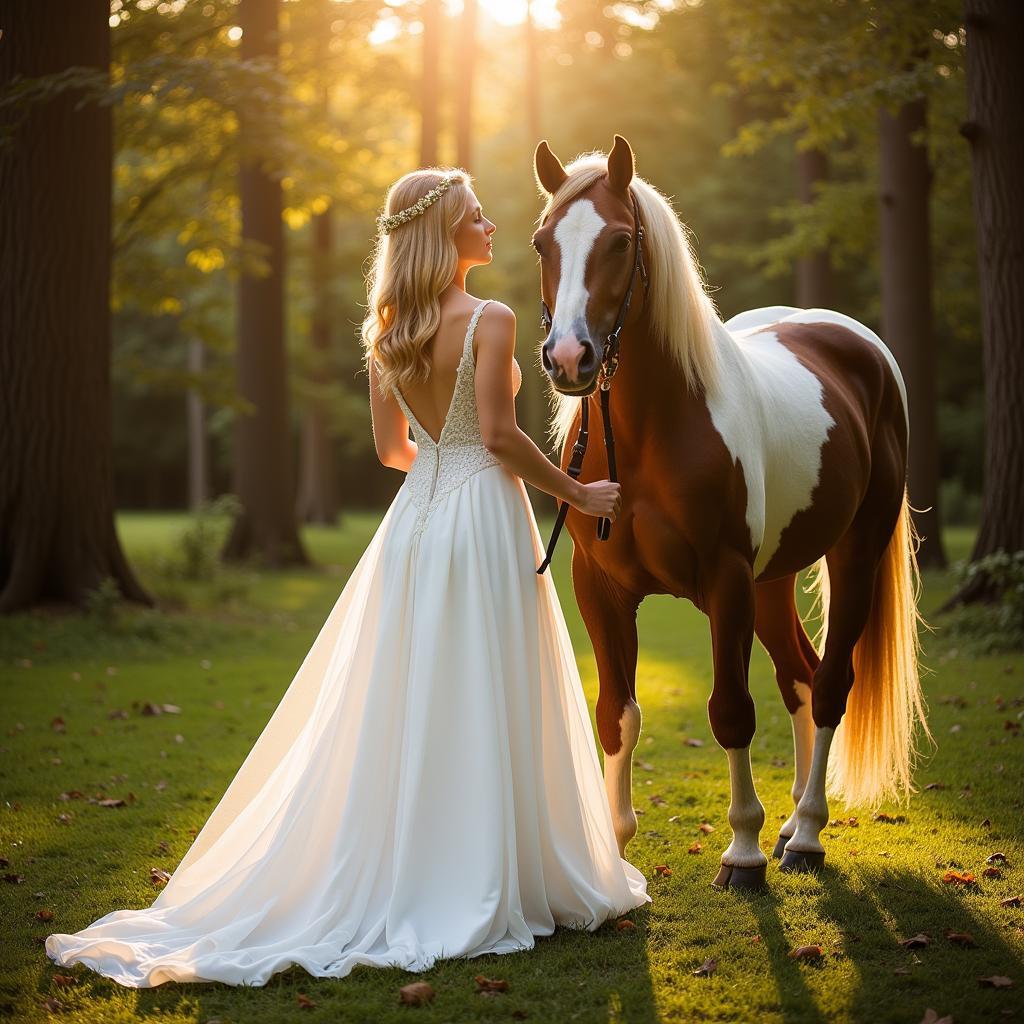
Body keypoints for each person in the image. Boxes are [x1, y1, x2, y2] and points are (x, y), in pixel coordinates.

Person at [44, 167, 649, 988]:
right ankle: (487, 870)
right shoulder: (495, 320)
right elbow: (503, 438)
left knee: (412, 694)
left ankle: (426, 861)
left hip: (415, 524)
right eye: (479, 216)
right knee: (485, 686)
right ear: (446, 233)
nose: (494, 226)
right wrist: (580, 490)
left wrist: (442, 460)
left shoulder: (389, 329)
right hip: (481, 517)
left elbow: (390, 451)